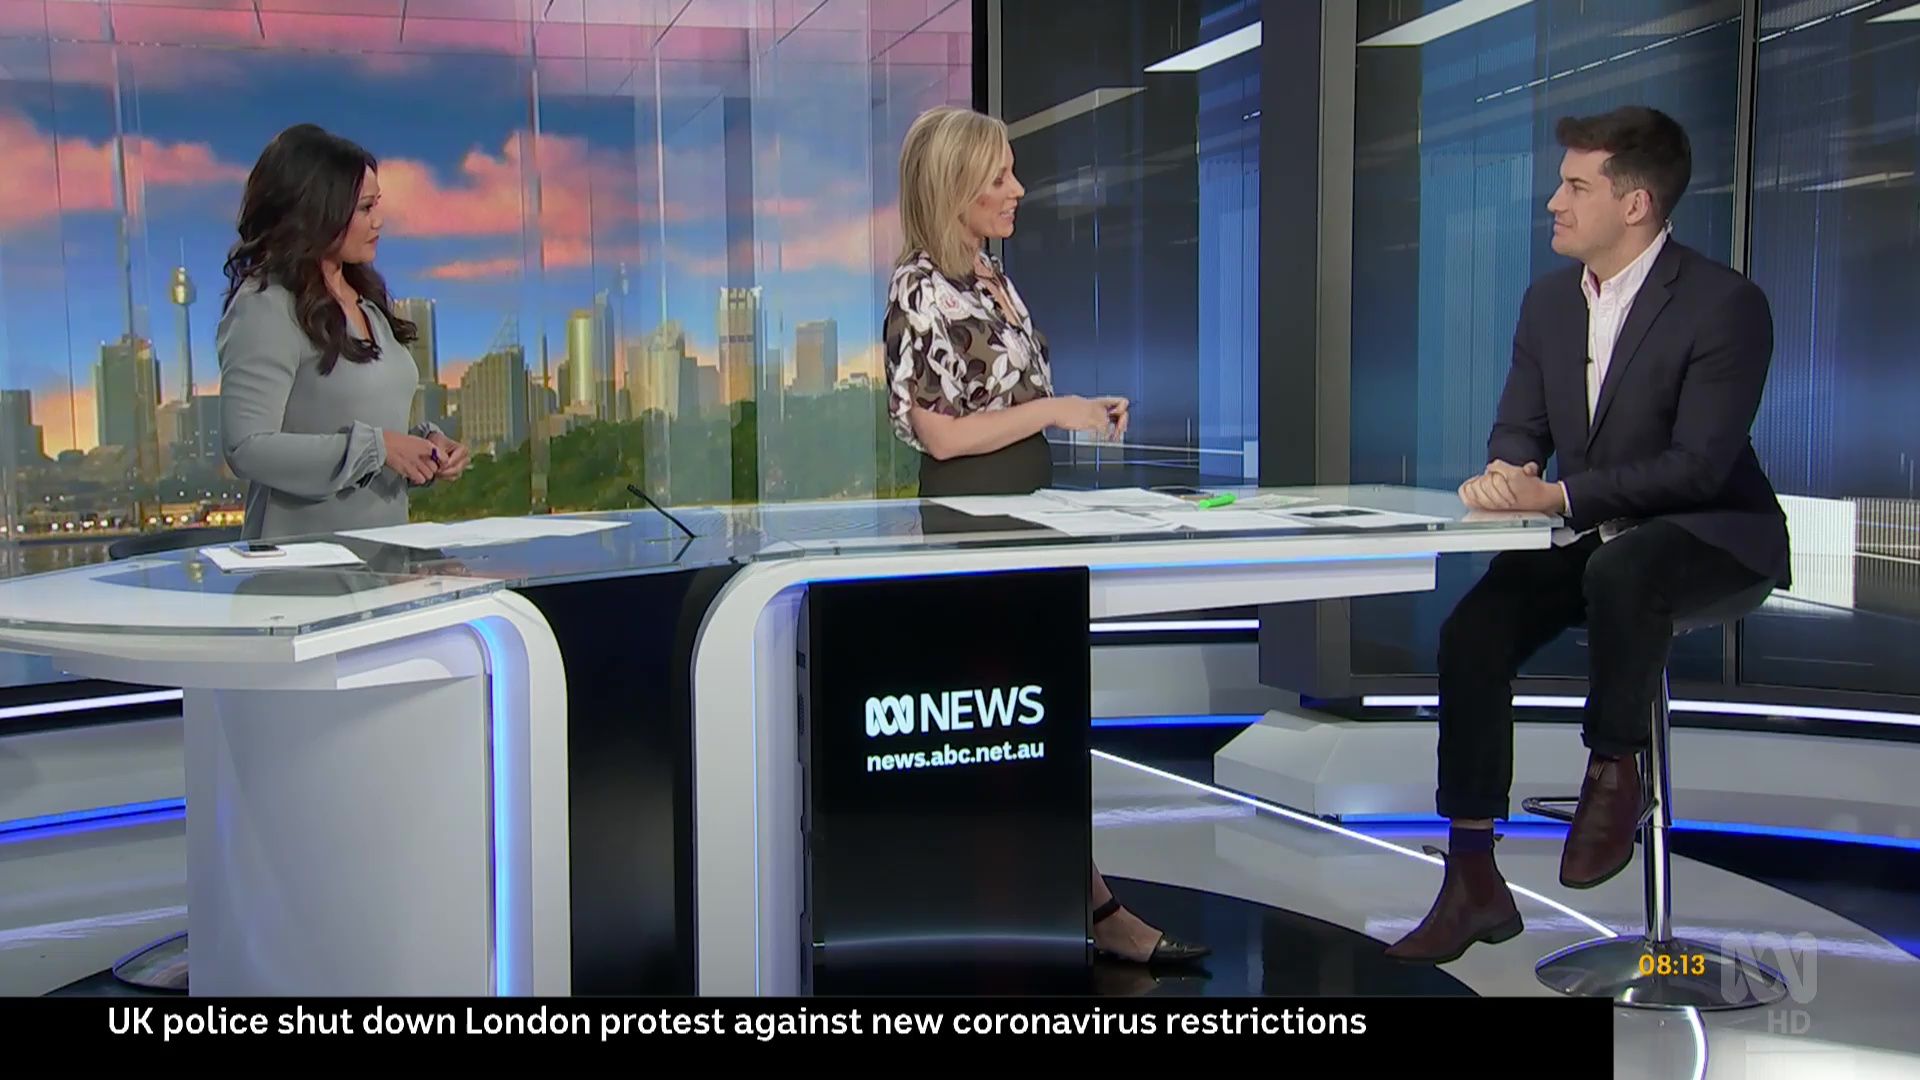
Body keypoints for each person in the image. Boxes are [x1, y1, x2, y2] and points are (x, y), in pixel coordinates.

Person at [1386, 106, 1789, 964]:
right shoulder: (1548, 302)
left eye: (1575, 186)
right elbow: (1520, 423)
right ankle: (1471, 877)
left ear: (1635, 204)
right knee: (1474, 630)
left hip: (1712, 534)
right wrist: (1508, 473)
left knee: (1625, 572)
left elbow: (1699, 467)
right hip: (1599, 530)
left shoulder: (1724, 304)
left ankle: (1613, 775)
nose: (1553, 202)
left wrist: (1559, 493)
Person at [883, 104, 1209, 968]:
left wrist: (1074, 410)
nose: (1017, 189)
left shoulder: (990, 275)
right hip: (972, 520)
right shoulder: (921, 288)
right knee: (1004, 719)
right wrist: (1057, 411)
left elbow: (1009, 403)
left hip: (1027, 512)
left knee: (1042, 710)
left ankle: (1069, 900)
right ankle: (1083, 905)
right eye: (999, 176)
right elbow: (942, 435)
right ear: (954, 187)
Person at [218, 123, 467, 541]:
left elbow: (368, 431)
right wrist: (380, 449)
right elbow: (246, 447)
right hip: (304, 563)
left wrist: (424, 448)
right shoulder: (266, 306)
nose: (379, 221)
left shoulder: (367, 303)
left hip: (386, 553)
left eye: (377, 205)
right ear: (318, 212)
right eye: (365, 208)